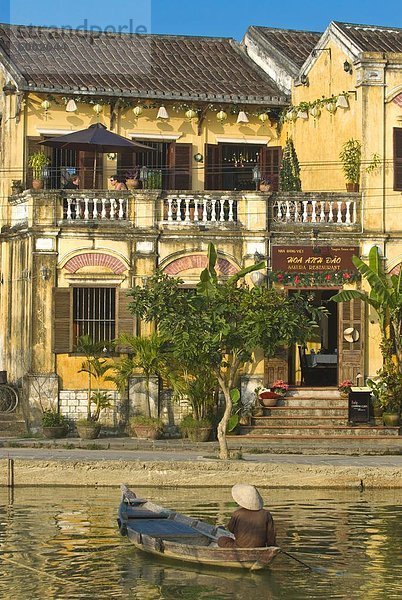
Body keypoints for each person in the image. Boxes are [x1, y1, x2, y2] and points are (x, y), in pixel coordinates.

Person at [217, 484, 276, 548]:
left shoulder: (237, 513)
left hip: (239, 546)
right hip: (260, 547)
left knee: (221, 540)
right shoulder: (266, 514)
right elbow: (271, 535)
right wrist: (272, 546)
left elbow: (231, 529)